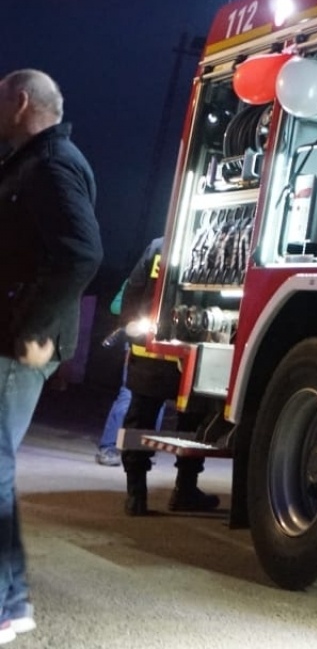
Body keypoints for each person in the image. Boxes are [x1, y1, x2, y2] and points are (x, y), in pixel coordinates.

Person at [0, 70, 103, 642]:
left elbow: (81, 253)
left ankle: (8, 604)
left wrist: (32, 328)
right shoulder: (32, 162)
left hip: (15, 350)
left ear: (20, 102)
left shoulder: (52, 164)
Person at [118, 235, 218, 516]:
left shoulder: (157, 246)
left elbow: (132, 290)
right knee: (191, 427)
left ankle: (136, 494)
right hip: (190, 360)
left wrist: (131, 334)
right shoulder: (215, 247)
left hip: (154, 354)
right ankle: (184, 490)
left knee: (141, 420)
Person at [94, 238, 164, 466]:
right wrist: (132, 323)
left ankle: (141, 451)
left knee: (158, 399)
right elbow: (118, 304)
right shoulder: (157, 248)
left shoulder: (156, 248)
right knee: (128, 394)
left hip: (164, 341)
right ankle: (109, 446)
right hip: (142, 339)